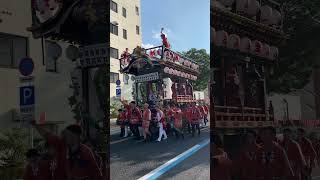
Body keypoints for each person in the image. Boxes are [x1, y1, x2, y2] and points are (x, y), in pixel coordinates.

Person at [32, 122, 102, 180]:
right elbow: (48, 136)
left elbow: (95, 172)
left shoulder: (86, 151)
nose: (65, 136)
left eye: (68, 134)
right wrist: (35, 125)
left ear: (75, 136)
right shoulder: (62, 145)